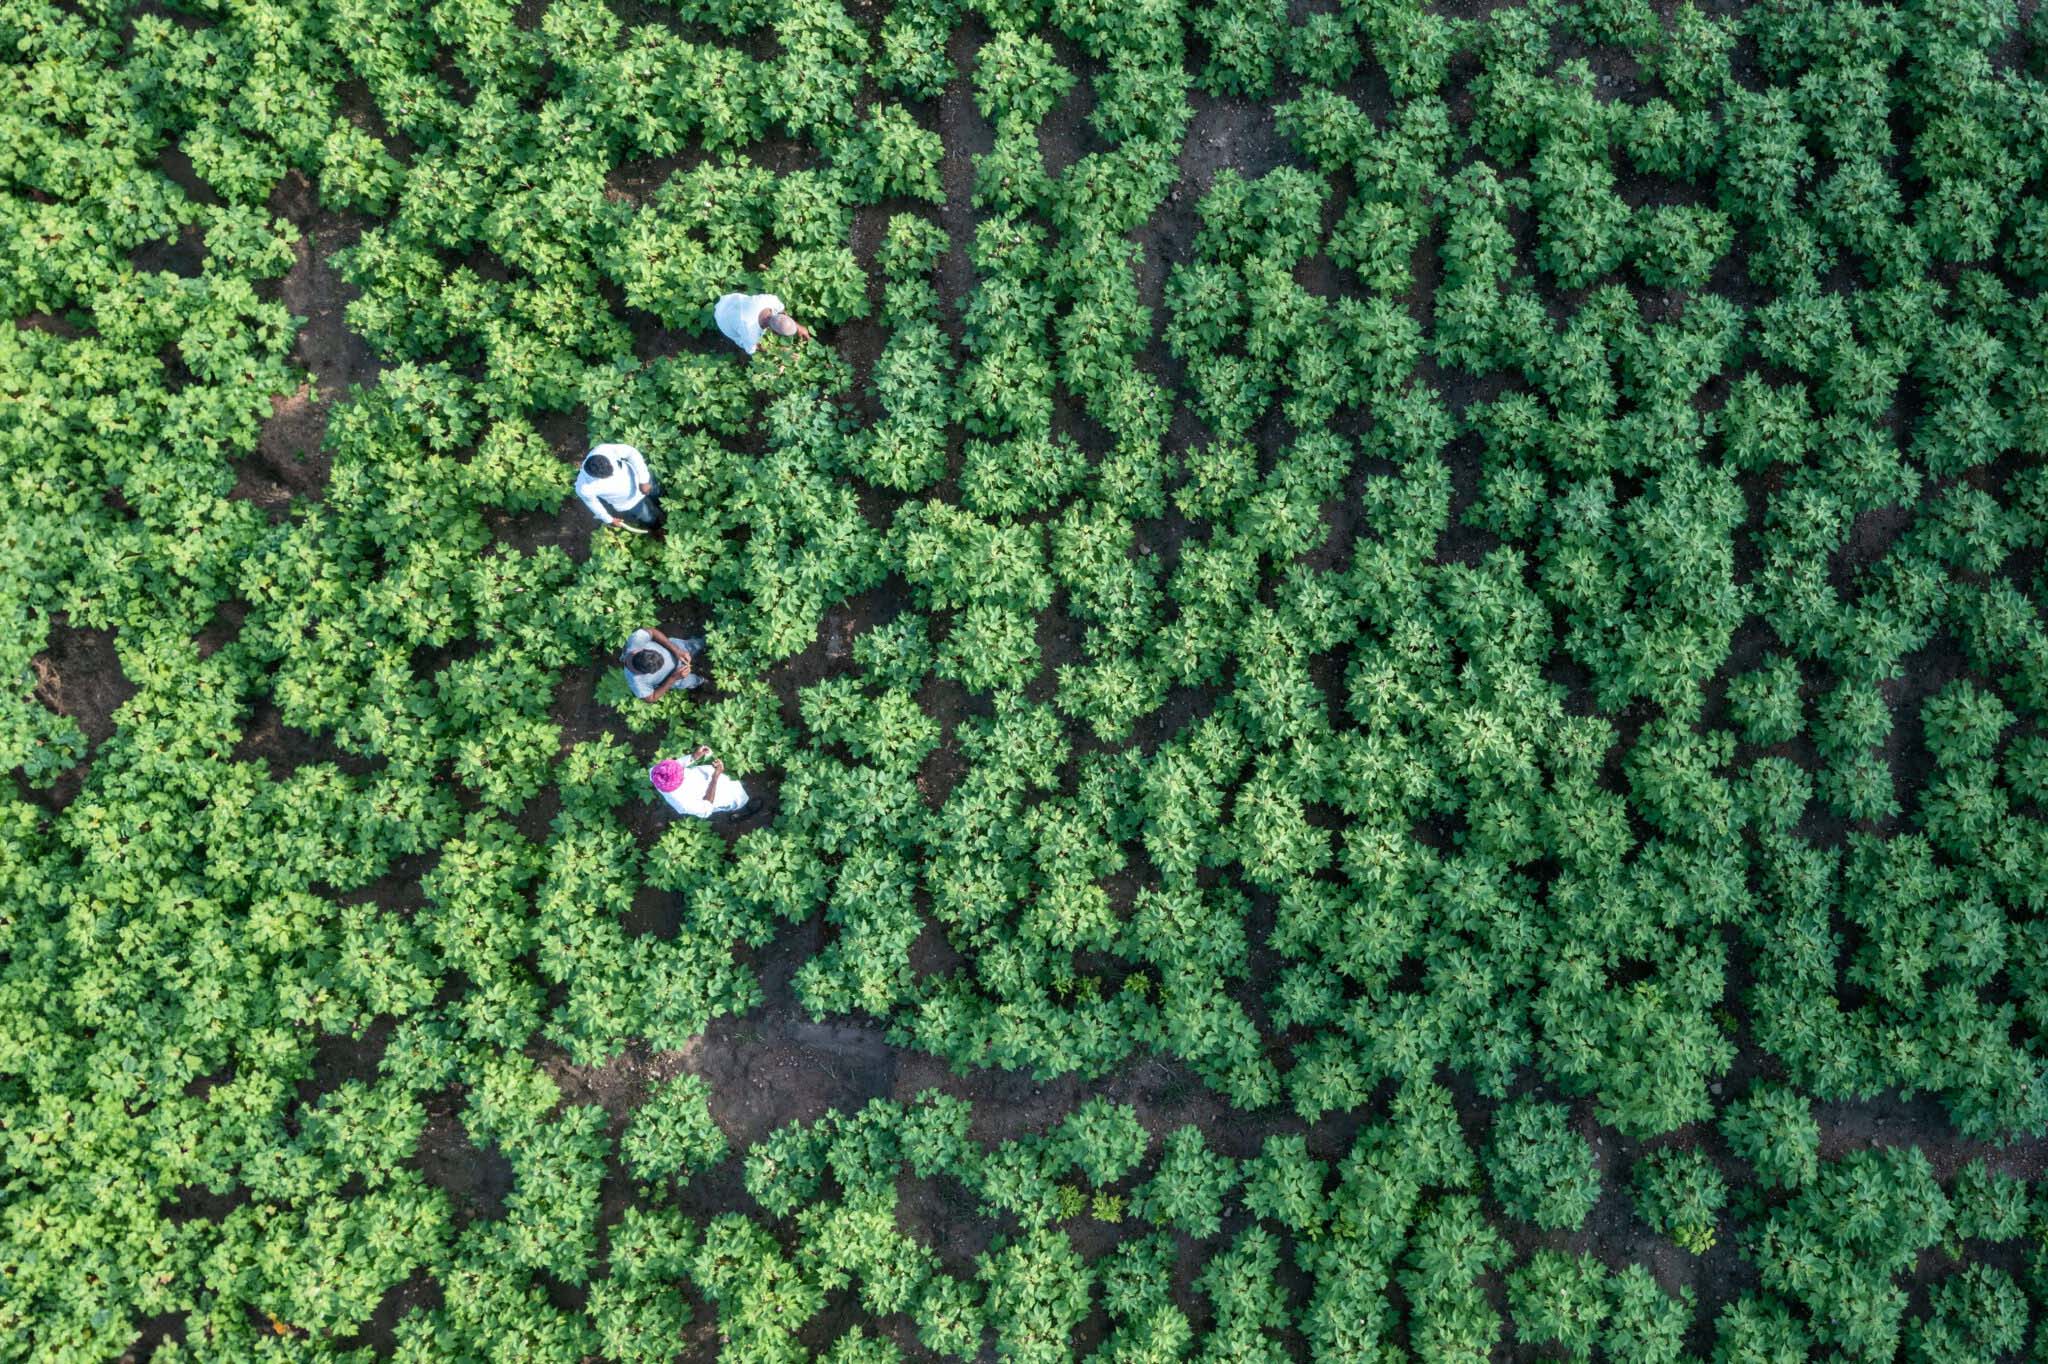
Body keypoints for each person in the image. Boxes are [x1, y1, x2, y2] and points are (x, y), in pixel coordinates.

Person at [575, 443, 662, 531]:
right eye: (607, 476)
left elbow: (631, 452)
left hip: (641, 480)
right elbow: (592, 503)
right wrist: (608, 519)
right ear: (596, 477)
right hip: (629, 503)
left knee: (658, 495)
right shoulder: (584, 487)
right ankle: (657, 528)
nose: (613, 474)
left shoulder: (603, 450)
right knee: (647, 518)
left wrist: (643, 480)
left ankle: (663, 507)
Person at [650, 748, 749, 818]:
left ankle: (735, 786)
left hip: (704, 777)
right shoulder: (684, 803)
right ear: (679, 782)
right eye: (681, 772)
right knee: (737, 798)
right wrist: (715, 778)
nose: (681, 769)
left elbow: (676, 765)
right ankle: (743, 807)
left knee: (730, 783)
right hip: (717, 795)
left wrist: (693, 757)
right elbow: (706, 808)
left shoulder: (656, 773)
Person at [714, 291, 812, 355]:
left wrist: (798, 326)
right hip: (722, 317)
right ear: (774, 333)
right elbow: (753, 348)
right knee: (742, 342)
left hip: (731, 299)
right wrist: (780, 351)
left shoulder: (769, 300)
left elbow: (781, 311)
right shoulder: (750, 332)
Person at [621, 627, 704, 701]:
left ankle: (708, 641)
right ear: (649, 673)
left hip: (677, 649)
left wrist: (676, 650)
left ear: (638, 650)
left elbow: (652, 632)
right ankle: (700, 680)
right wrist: (673, 678)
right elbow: (651, 698)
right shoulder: (636, 682)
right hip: (676, 678)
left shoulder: (636, 641)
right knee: (690, 681)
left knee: (692, 645)